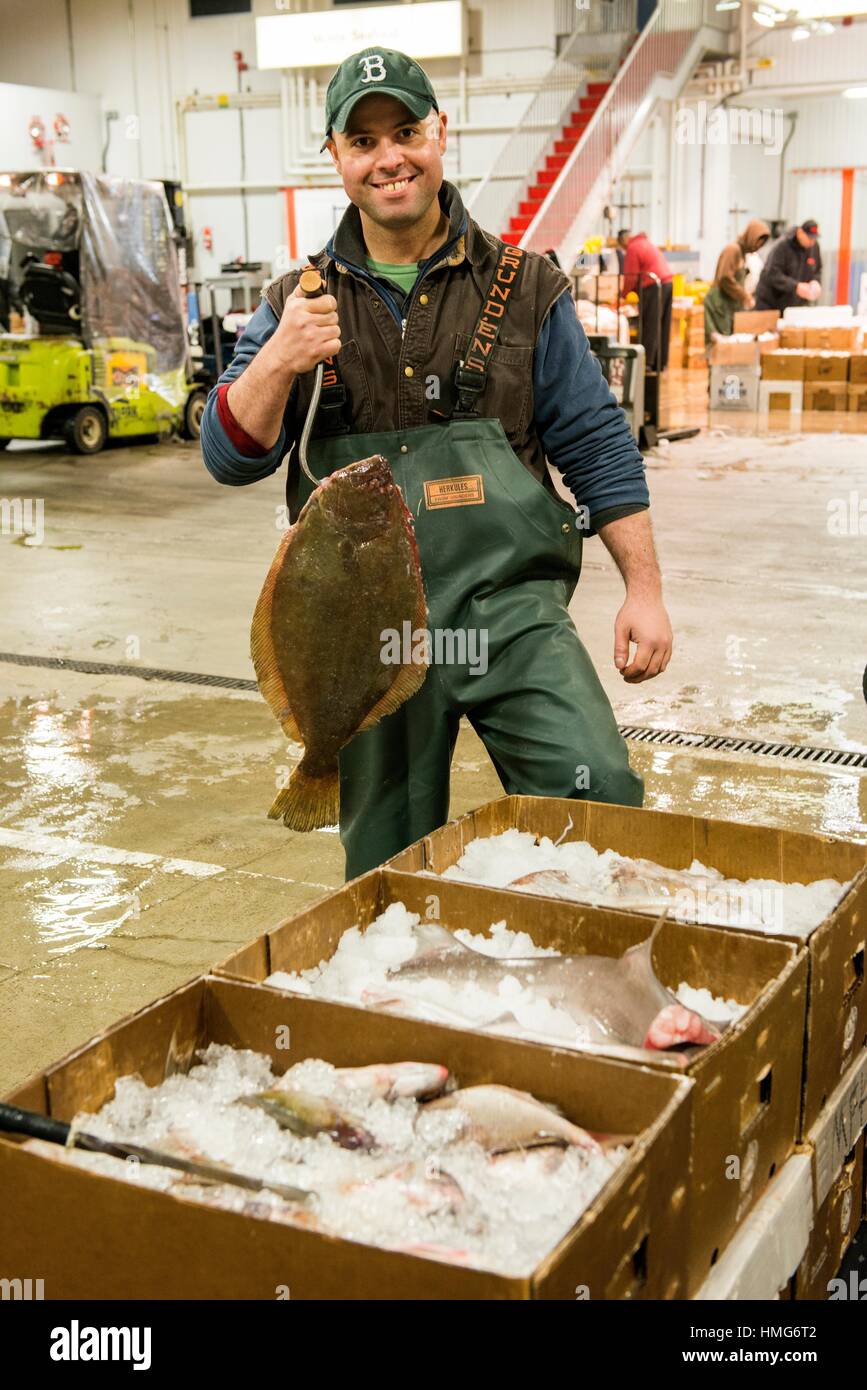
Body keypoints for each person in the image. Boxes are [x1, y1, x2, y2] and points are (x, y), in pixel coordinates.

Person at [201, 47, 673, 880]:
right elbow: (228, 458)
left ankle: (585, 988)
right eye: (363, 140)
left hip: (508, 616)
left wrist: (644, 589)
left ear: (439, 134)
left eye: (406, 130)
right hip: (367, 637)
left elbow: (596, 445)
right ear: (337, 157)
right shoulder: (292, 302)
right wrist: (278, 360)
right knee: (385, 860)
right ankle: (399, 1001)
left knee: (595, 790)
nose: (389, 157)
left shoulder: (527, 288)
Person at [703, 218, 770, 345]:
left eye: (761, 245)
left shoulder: (743, 253)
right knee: (721, 344)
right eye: (757, 242)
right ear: (751, 236)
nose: (758, 246)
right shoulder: (733, 250)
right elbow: (725, 278)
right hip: (719, 304)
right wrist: (744, 296)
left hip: (730, 305)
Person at [620, 230, 674, 371]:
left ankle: (647, 363)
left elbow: (630, 277)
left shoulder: (632, 248)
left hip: (653, 285)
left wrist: (623, 296)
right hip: (667, 282)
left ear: (624, 240)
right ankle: (660, 362)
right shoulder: (645, 243)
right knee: (662, 324)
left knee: (650, 323)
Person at [753, 220, 822, 314]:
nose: (812, 242)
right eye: (809, 238)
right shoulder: (782, 246)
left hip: (793, 306)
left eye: (814, 239)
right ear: (800, 232)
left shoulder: (814, 247)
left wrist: (815, 281)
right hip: (771, 302)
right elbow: (772, 273)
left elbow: (817, 270)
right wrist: (795, 286)